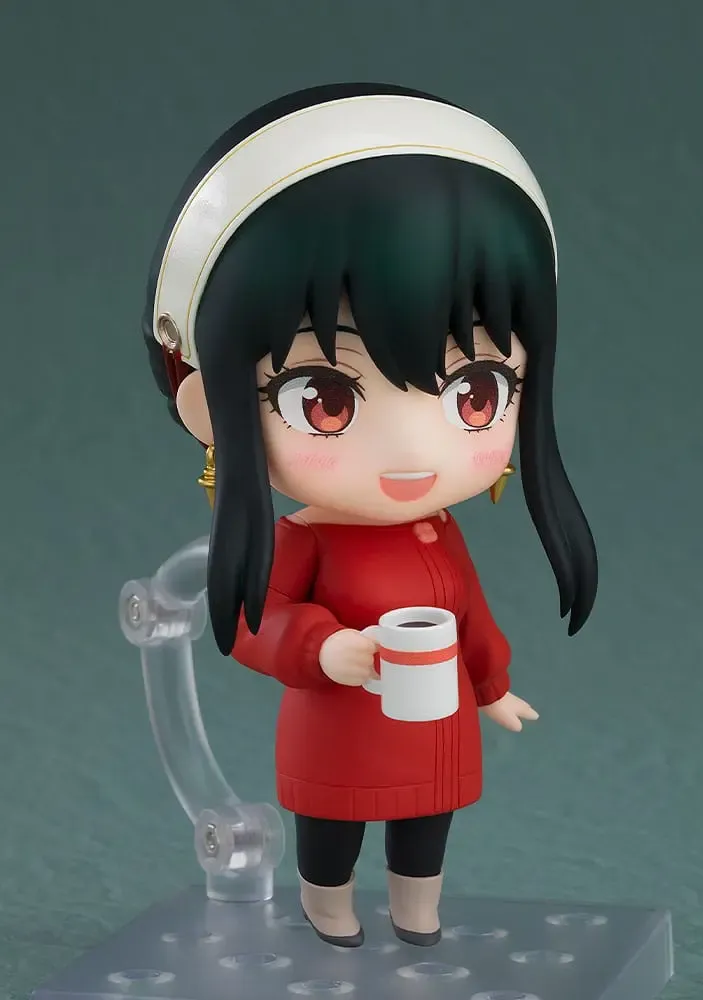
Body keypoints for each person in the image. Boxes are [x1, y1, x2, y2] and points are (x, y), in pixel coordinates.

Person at [142, 82, 598, 949]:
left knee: (427, 826)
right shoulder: (303, 541)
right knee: (333, 830)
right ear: (207, 404)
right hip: (338, 730)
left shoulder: (438, 533)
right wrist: (324, 649)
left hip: (435, 729)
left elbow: (468, 613)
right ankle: (328, 906)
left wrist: (492, 683)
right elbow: (254, 625)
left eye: (475, 393)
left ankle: (418, 911)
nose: (412, 449)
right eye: (325, 400)